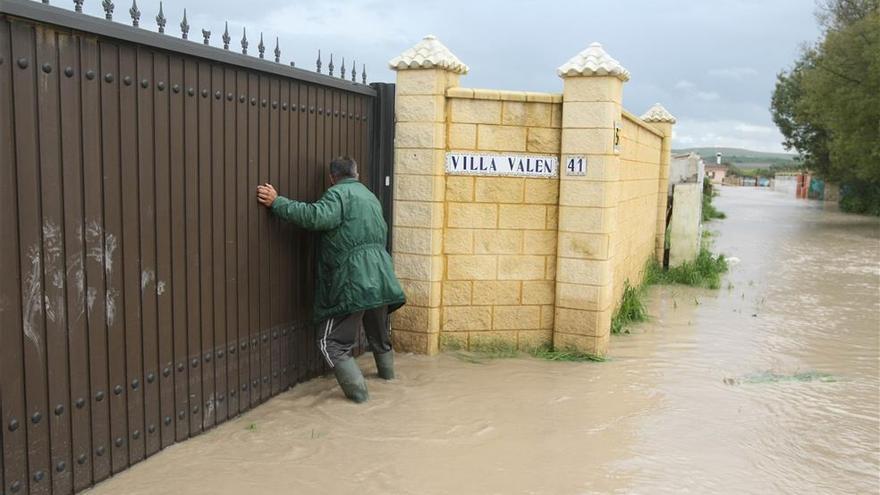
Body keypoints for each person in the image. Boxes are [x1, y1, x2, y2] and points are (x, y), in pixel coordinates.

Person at [256, 156, 405, 403]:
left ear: (331, 178)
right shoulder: (370, 197)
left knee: (330, 342)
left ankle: (361, 400)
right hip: (380, 275)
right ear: (357, 174)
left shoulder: (337, 195)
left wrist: (277, 202)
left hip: (353, 277)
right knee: (379, 335)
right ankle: (390, 381)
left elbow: (316, 217)